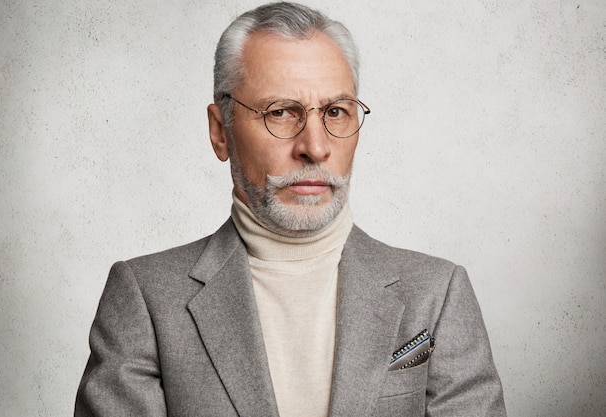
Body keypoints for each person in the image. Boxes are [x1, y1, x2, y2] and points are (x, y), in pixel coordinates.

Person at [74, 2, 506, 416]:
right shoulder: (145, 299)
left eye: (336, 111)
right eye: (281, 112)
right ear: (220, 131)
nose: (315, 147)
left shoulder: (437, 294)